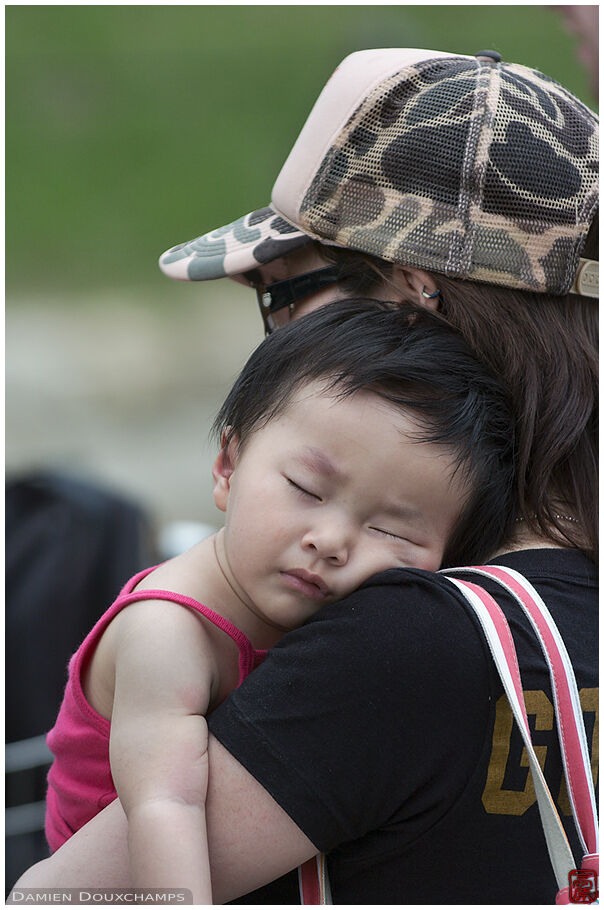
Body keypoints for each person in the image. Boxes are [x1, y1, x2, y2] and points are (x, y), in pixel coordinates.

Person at [14, 47, 597, 904]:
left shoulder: (400, 642)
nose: (274, 347)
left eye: (284, 296)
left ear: (409, 299)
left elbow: (52, 900)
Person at [40, 299, 516, 904]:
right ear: (227, 465)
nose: (332, 541)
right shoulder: (166, 631)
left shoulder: (384, 635)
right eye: (306, 488)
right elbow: (165, 803)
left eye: (394, 531)